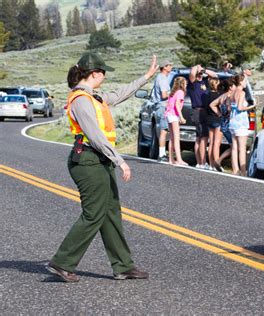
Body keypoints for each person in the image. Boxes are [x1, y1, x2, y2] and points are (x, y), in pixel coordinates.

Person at [46, 52, 158, 282]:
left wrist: (145, 77)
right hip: (87, 160)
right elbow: (96, 136)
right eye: (103, 73)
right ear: (95, 73)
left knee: (110, 212)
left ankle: (123, 266)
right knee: (94, 214)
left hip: (99, 160)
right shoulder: (80, 100)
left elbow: (120, 94)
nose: (105, 77)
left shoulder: (94, 96)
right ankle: (62, 262)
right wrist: (121, 160)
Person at [188, 64, 217, 169]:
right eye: (198, 73)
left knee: (199, 138)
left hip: (205, 112)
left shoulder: (204, 82)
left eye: (201, 73)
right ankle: (202, 162)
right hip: (197, 111)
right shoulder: (192, 84)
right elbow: (191, 73)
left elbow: (215, 76)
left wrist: (204, 69)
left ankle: (199, 162)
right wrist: (196, 67)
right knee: (203, 137)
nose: (200, 74)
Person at [229, 74, 255, 176]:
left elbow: (229, 107)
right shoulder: (242, 93)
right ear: (240, 82)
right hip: (241, 122)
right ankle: (243, 171)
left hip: (232, 121)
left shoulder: (232, 93)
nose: (246, 83)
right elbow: (240, 108)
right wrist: (250, 107)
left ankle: (235, 169)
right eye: (245, 81)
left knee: (234, 147)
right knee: (242, 148)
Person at [209, 79, 235, 171]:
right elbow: (230, 108)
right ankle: (219, 161)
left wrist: (220, 114)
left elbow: (212, 104)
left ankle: (219, 162)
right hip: (229, 123)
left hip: (223, 122)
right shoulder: (230, 96)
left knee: (232, 146)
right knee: (234, 147)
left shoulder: (222, 96)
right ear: (231, 87)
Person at [151, 60, 173, 162]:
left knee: (164, 131)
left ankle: (163, 153)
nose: (171, 67)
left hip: (161, 106)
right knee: (164, 131)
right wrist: (174, 93)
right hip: (163, 106)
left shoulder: (160, 78)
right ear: (165, 67)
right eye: (169, 65)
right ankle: (162, 154)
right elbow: (164, 95)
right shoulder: (162, 78)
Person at [164, 77, 188, 166]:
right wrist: (181, 117)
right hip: (174, 115)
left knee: (171, 138)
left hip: (168, 114)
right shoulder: (180, 92)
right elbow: (177, 104)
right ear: (182, 84)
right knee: (176, 138)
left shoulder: (173, 92)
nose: (186, 85)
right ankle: (179, 159)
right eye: (185, 83)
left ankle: (171, 159)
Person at [203, 77, 222, 171]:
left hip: (209, 119)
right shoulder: (219, 95)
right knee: (216, 144)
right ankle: (216, 164)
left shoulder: (207, 95)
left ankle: (211, 164)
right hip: (217, 119)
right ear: (216, 84)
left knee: (211, 143)